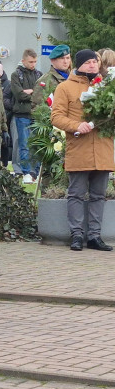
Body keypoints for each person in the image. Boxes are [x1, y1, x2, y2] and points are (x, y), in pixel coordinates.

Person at [52, 50, 114, 252]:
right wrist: (77, 126)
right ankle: (76, 235)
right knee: (76, 194)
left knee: (98, 195)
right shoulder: (65, 88)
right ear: (78, 65)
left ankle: (95, 236)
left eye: (94, 61)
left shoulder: (107, 86)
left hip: (103, 148)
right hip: (79, 148)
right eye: (87, 62)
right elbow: (57, 117)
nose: (92, 65)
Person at [10, 49, 43, 182]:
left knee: (37, 144)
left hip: (36, 114)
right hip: (22, 114)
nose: (33, 64)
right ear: (23, 61)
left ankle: (36, 171)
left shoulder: (39, 74)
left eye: (35, 62)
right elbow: (19, 95)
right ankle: (26, 172)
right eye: (30, 62)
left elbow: (42, 94)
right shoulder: (16, 75)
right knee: (24, 144)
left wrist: (30, 92)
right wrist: (32, 94)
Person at [32, 45, 72, 109]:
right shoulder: (45, 80)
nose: (65, 61)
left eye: (67, 58)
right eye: (62, 58)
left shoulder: (73, 78)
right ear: (53, 60)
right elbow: (37, 108)